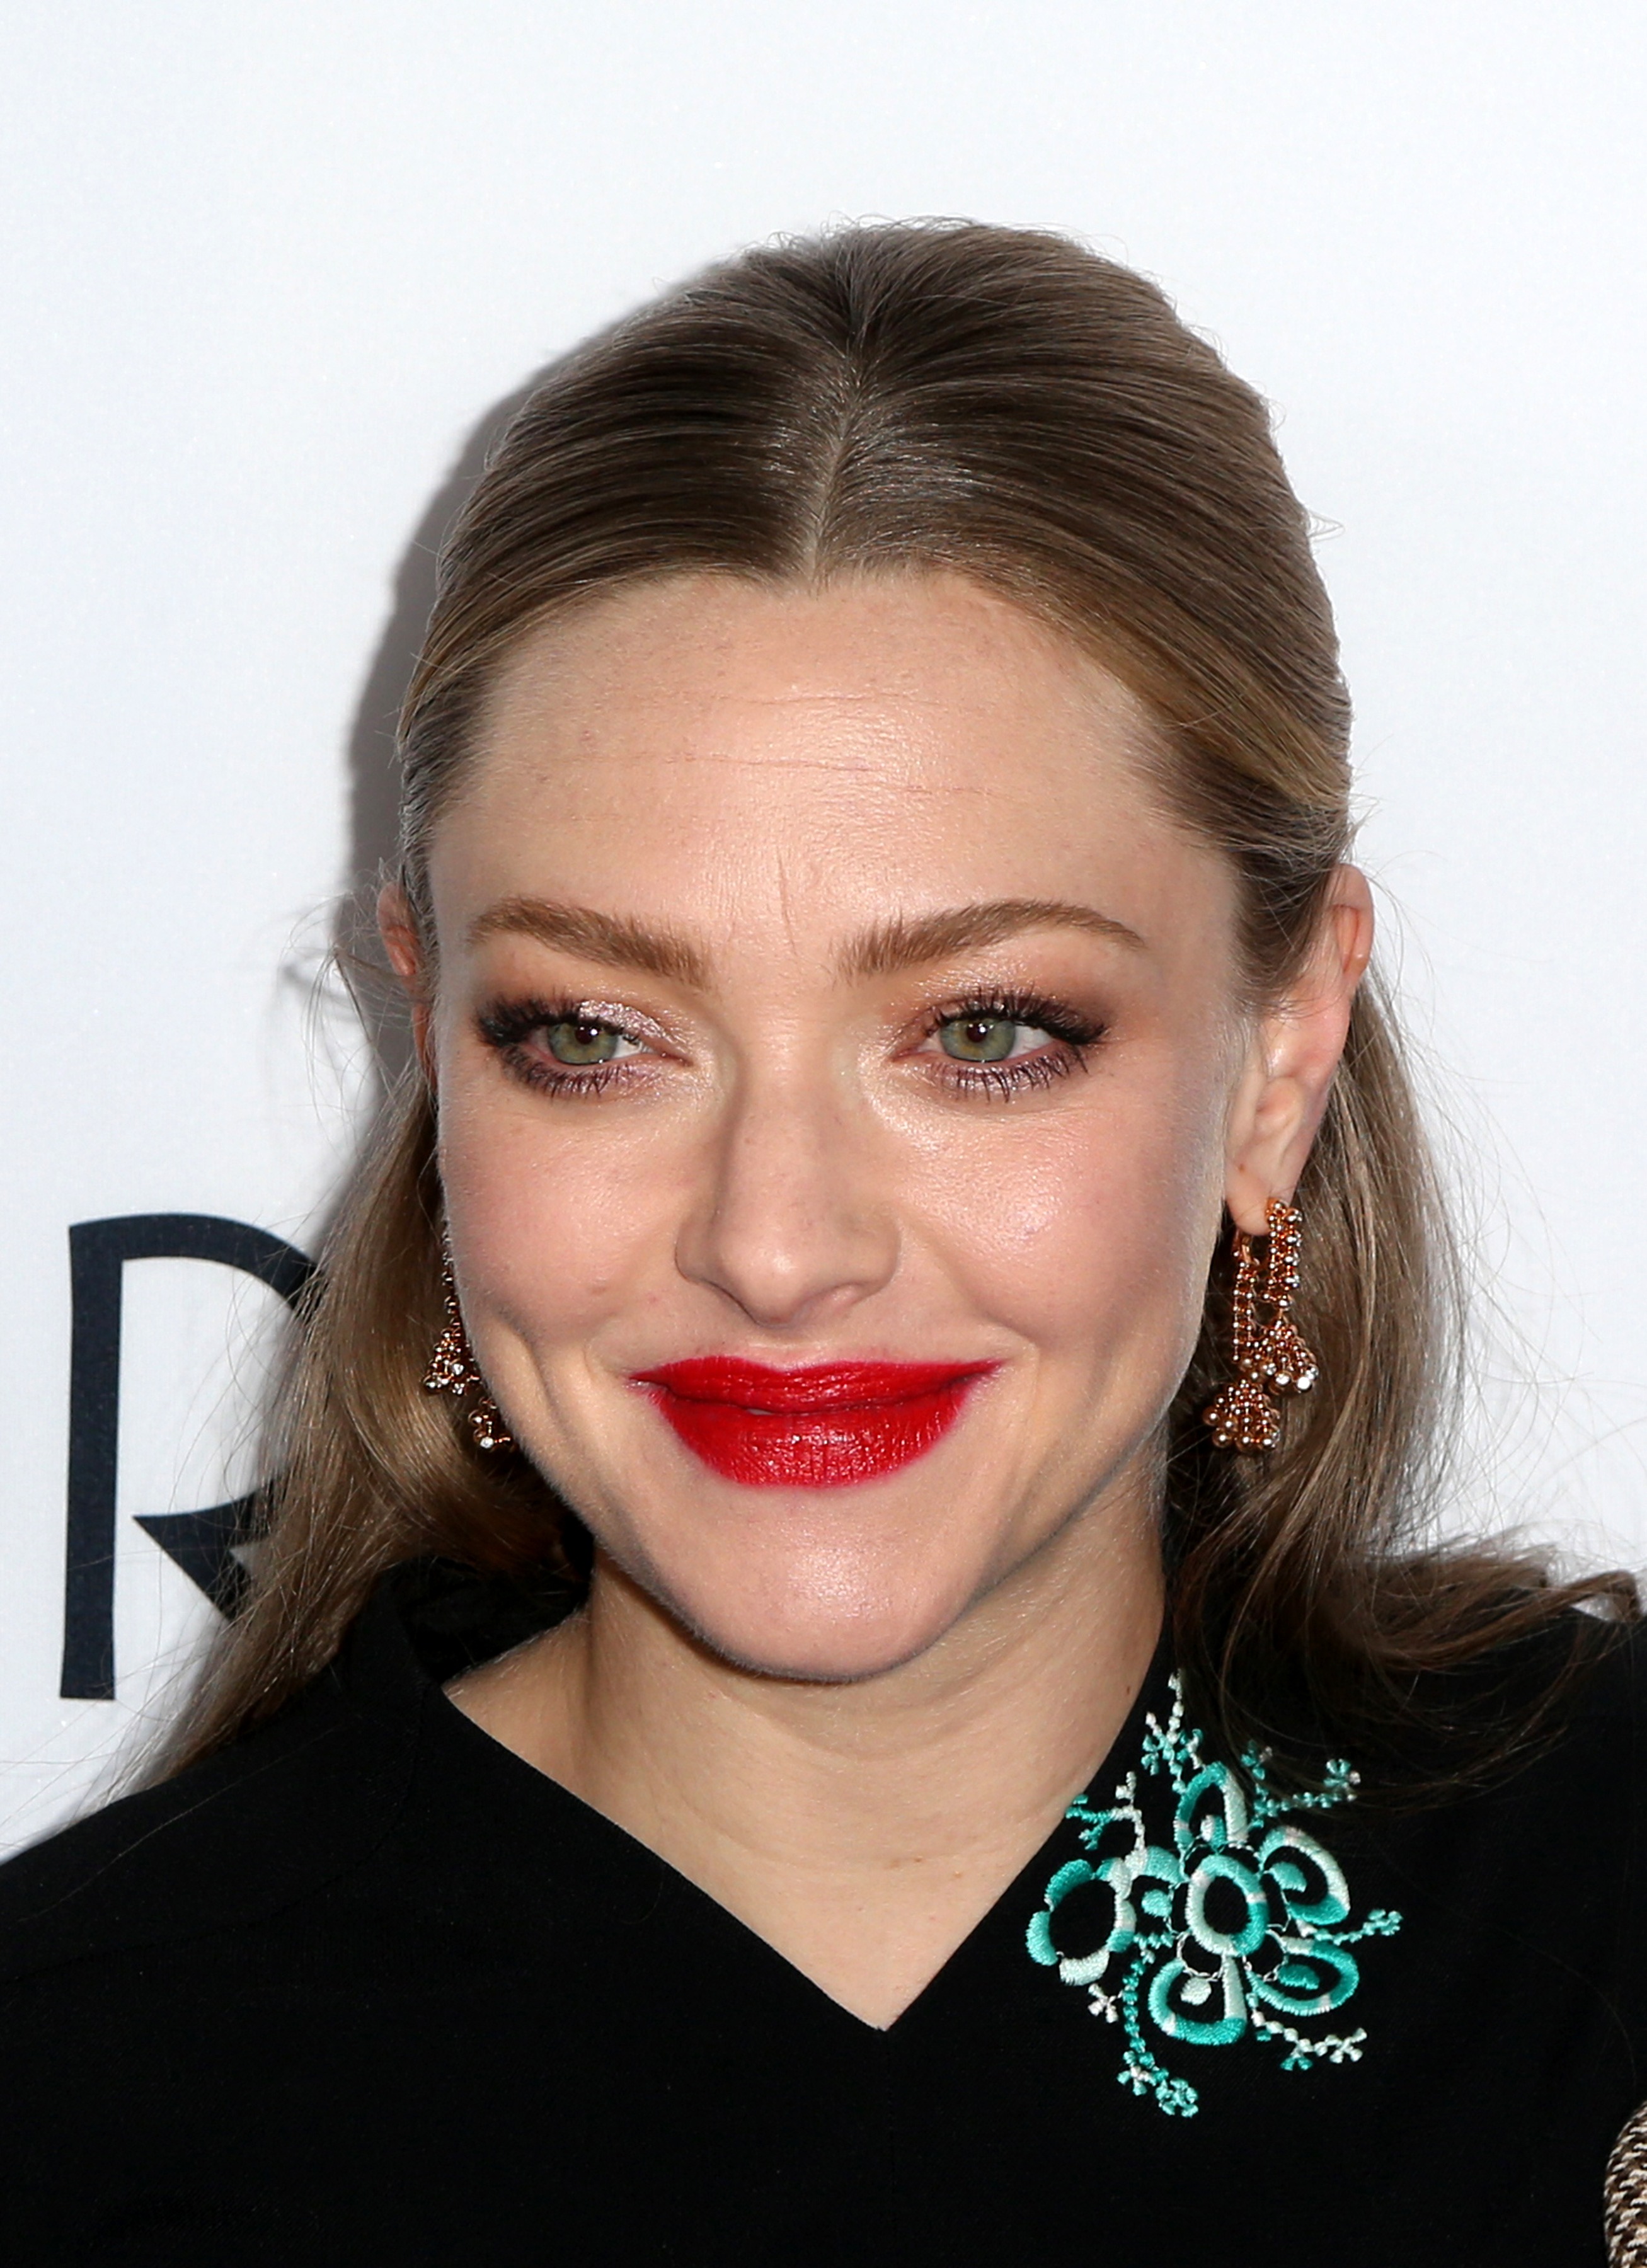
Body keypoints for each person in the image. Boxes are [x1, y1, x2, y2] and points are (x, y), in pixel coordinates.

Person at [1, 219, 1641, 2267]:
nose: (777, 1248)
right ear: (431, 1038)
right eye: (595, 1036)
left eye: (986, 1034)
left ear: (1279, 1053)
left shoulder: (1601, 1911)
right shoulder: (75, 2101)